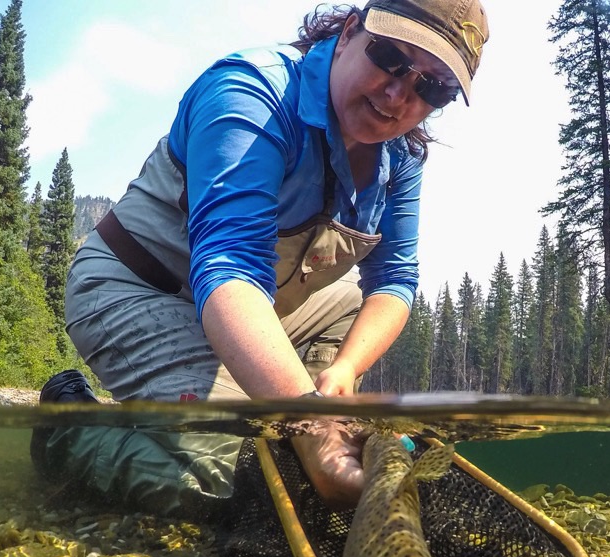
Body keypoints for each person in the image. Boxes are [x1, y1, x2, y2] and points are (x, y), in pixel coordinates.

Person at [33, 0, 489, 517]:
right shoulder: (251, 92)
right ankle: (66, 431)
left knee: (304, 446)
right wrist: (311, 426)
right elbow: (228, 266)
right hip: (137, 286)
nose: (398, 95)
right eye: (390, 58)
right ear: (348, 33)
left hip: (252, 311)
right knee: (239, 480)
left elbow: (395, 280)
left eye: (432, 88)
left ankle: (296, 425)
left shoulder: (401, 154)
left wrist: (341, 375)